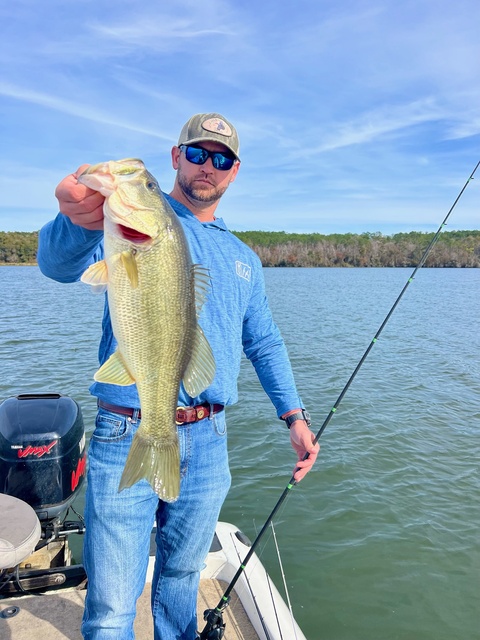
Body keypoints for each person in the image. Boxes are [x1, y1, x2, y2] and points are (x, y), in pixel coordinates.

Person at [37, 112, 319, 640]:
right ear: (176, 156)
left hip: (209, 437)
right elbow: (56, 263)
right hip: (128, 428)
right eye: (197, 153)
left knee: (181, 579)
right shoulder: (127, 224)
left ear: (234, 172)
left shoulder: (242, 258)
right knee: (112, 604)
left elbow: (264, 341)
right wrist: (75, 219)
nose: (207, 166)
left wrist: (294, 416)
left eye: (222, 159)